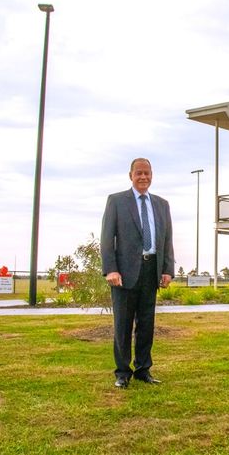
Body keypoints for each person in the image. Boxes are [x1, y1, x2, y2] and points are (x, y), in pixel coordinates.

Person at [101, 158, 175, 388]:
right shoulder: (116, 201)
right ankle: (123, 373)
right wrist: (110, 269)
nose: (143, 177)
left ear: (152, 175)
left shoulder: (162, 204)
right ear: (130, 175)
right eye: (139, 173)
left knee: (146, 323)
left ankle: (143, 369)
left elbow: (167, 239)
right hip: (124, 273)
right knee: (123, 324)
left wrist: (167, 270)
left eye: (147, 173)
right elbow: (106, 238)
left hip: (151, 269)